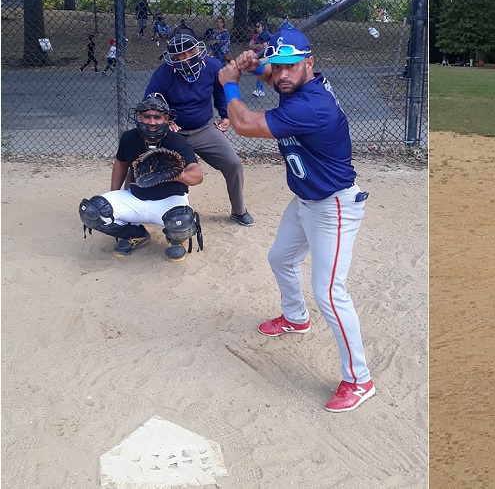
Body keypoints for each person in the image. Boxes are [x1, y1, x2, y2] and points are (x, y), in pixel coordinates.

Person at [217, 28, 375, 412]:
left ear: (310, 63)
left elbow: (245, 124)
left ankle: (359, 380)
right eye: (278, 66)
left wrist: (230, 83)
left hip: (333, 206)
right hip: (305, 199)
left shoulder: (312, 106)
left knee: (330, 294)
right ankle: (296, 317)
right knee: (280, 258)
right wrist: (254, 66)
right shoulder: (299, 84)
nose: (282, 74)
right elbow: (275, 77)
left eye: (291, 65)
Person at [145, 30, 255, 226]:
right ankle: (133, 211)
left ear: (198, 50)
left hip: (204, 128)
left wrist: (225, 115)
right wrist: (164, 121)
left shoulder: (212, 66)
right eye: (180, 55)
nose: (186, 58)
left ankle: (239, 210)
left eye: (190, 52)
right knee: (145, 161)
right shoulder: (163, 73)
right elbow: (150, 102)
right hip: (173, 132)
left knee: (233, 163)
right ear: (172, 57)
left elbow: (220, 92)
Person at [78, 93, 204, 262]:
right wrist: (114, 194)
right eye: (147, 116)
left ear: (166, 118)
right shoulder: (129, 137)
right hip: (135, 199)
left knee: (181, 220)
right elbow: (120, 163)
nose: (152, 122)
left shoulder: (177, 142)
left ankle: (175, 240)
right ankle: (135, 235)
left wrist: (181, 176)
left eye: (157, 117)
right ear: (139, 117)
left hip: (168, 202)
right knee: (93, 211)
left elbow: (198, 175)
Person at [249, 22, 272, 96]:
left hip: (263, 56)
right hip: (256, 55)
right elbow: (250, 44)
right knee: (259, 72)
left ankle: (258, 89)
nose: (257, 28)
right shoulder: (255, 36)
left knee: (260, 71)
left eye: (258, 26)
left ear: (262, 27)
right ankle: (260, 90)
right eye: (256, 26)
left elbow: (265, 47)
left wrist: (257, 46)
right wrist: (258, 46)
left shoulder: (266, 35)